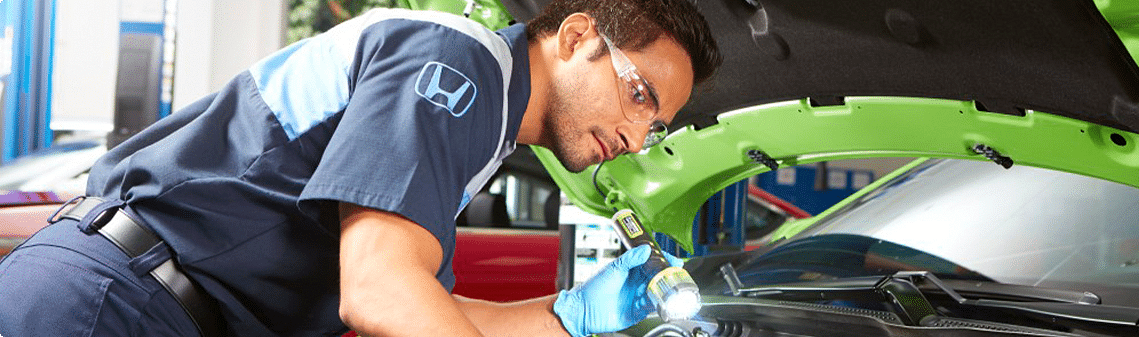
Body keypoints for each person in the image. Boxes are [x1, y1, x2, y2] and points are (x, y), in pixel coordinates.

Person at [0, 0, 721, 335]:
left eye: (657, 124)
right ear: (576, 36)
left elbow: (423, 305)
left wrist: (571, 315)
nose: (636, 133)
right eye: (639, 94)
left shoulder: (486, 124)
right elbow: (379, 295)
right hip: (112, 304)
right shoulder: (457, 68)